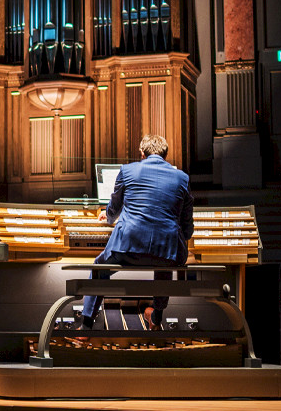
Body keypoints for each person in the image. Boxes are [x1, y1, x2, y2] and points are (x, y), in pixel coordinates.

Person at [80, 134, 195, 330]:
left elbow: (114, 207)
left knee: (99, 267)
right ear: (165, 155)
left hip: (129, 248)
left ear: (142, 153)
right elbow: (187, 226)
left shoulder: (127, 170)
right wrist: (178, 238)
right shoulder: (182, 178)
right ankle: (157, 319)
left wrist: (107, 218)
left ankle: (86, 325)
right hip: (168, 252)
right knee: (164, 260)